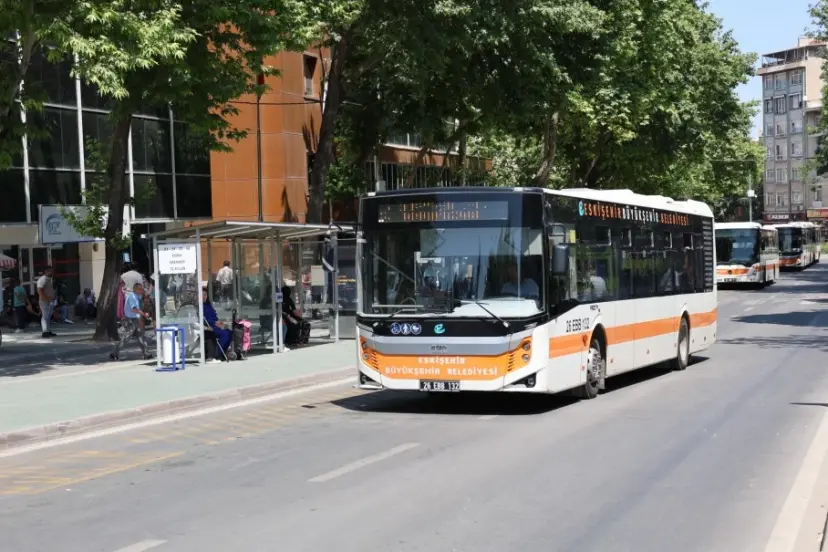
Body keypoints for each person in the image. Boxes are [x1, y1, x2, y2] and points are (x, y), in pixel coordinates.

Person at [110, 282, 151, 361]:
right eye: (140, 289)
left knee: (141, 336)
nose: (142, 290)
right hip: (131, 320)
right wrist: (144, 314)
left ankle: (147, 353)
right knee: (126, 338)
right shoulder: (132, 297)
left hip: (135, 319)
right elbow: (134, 309)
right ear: (136, 289)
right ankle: (114, 353)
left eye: (142, 288)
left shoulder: (137, 296)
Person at [203, 286, 232, 360]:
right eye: (202, 295)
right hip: (208, 327)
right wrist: (215, 322)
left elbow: (214, 316)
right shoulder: (200, 307)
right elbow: (204, 320)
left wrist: (219, 322)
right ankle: (217, 354)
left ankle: (223, 351)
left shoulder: (208, 305)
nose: (204, 297)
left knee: (229, 332)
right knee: (224, 334)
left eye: (205, 295)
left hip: (215, 325)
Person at [36, 266, 56, 338]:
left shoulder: (49, 279)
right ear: (46, 271)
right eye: (50, 271)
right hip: (44, 301)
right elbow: (39, 290)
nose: (52, 272)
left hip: (50, 301)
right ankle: (44, 331)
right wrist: (45, 299)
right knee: (45, 316)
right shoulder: (42, 279)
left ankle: (48, 330)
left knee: (48, 316)